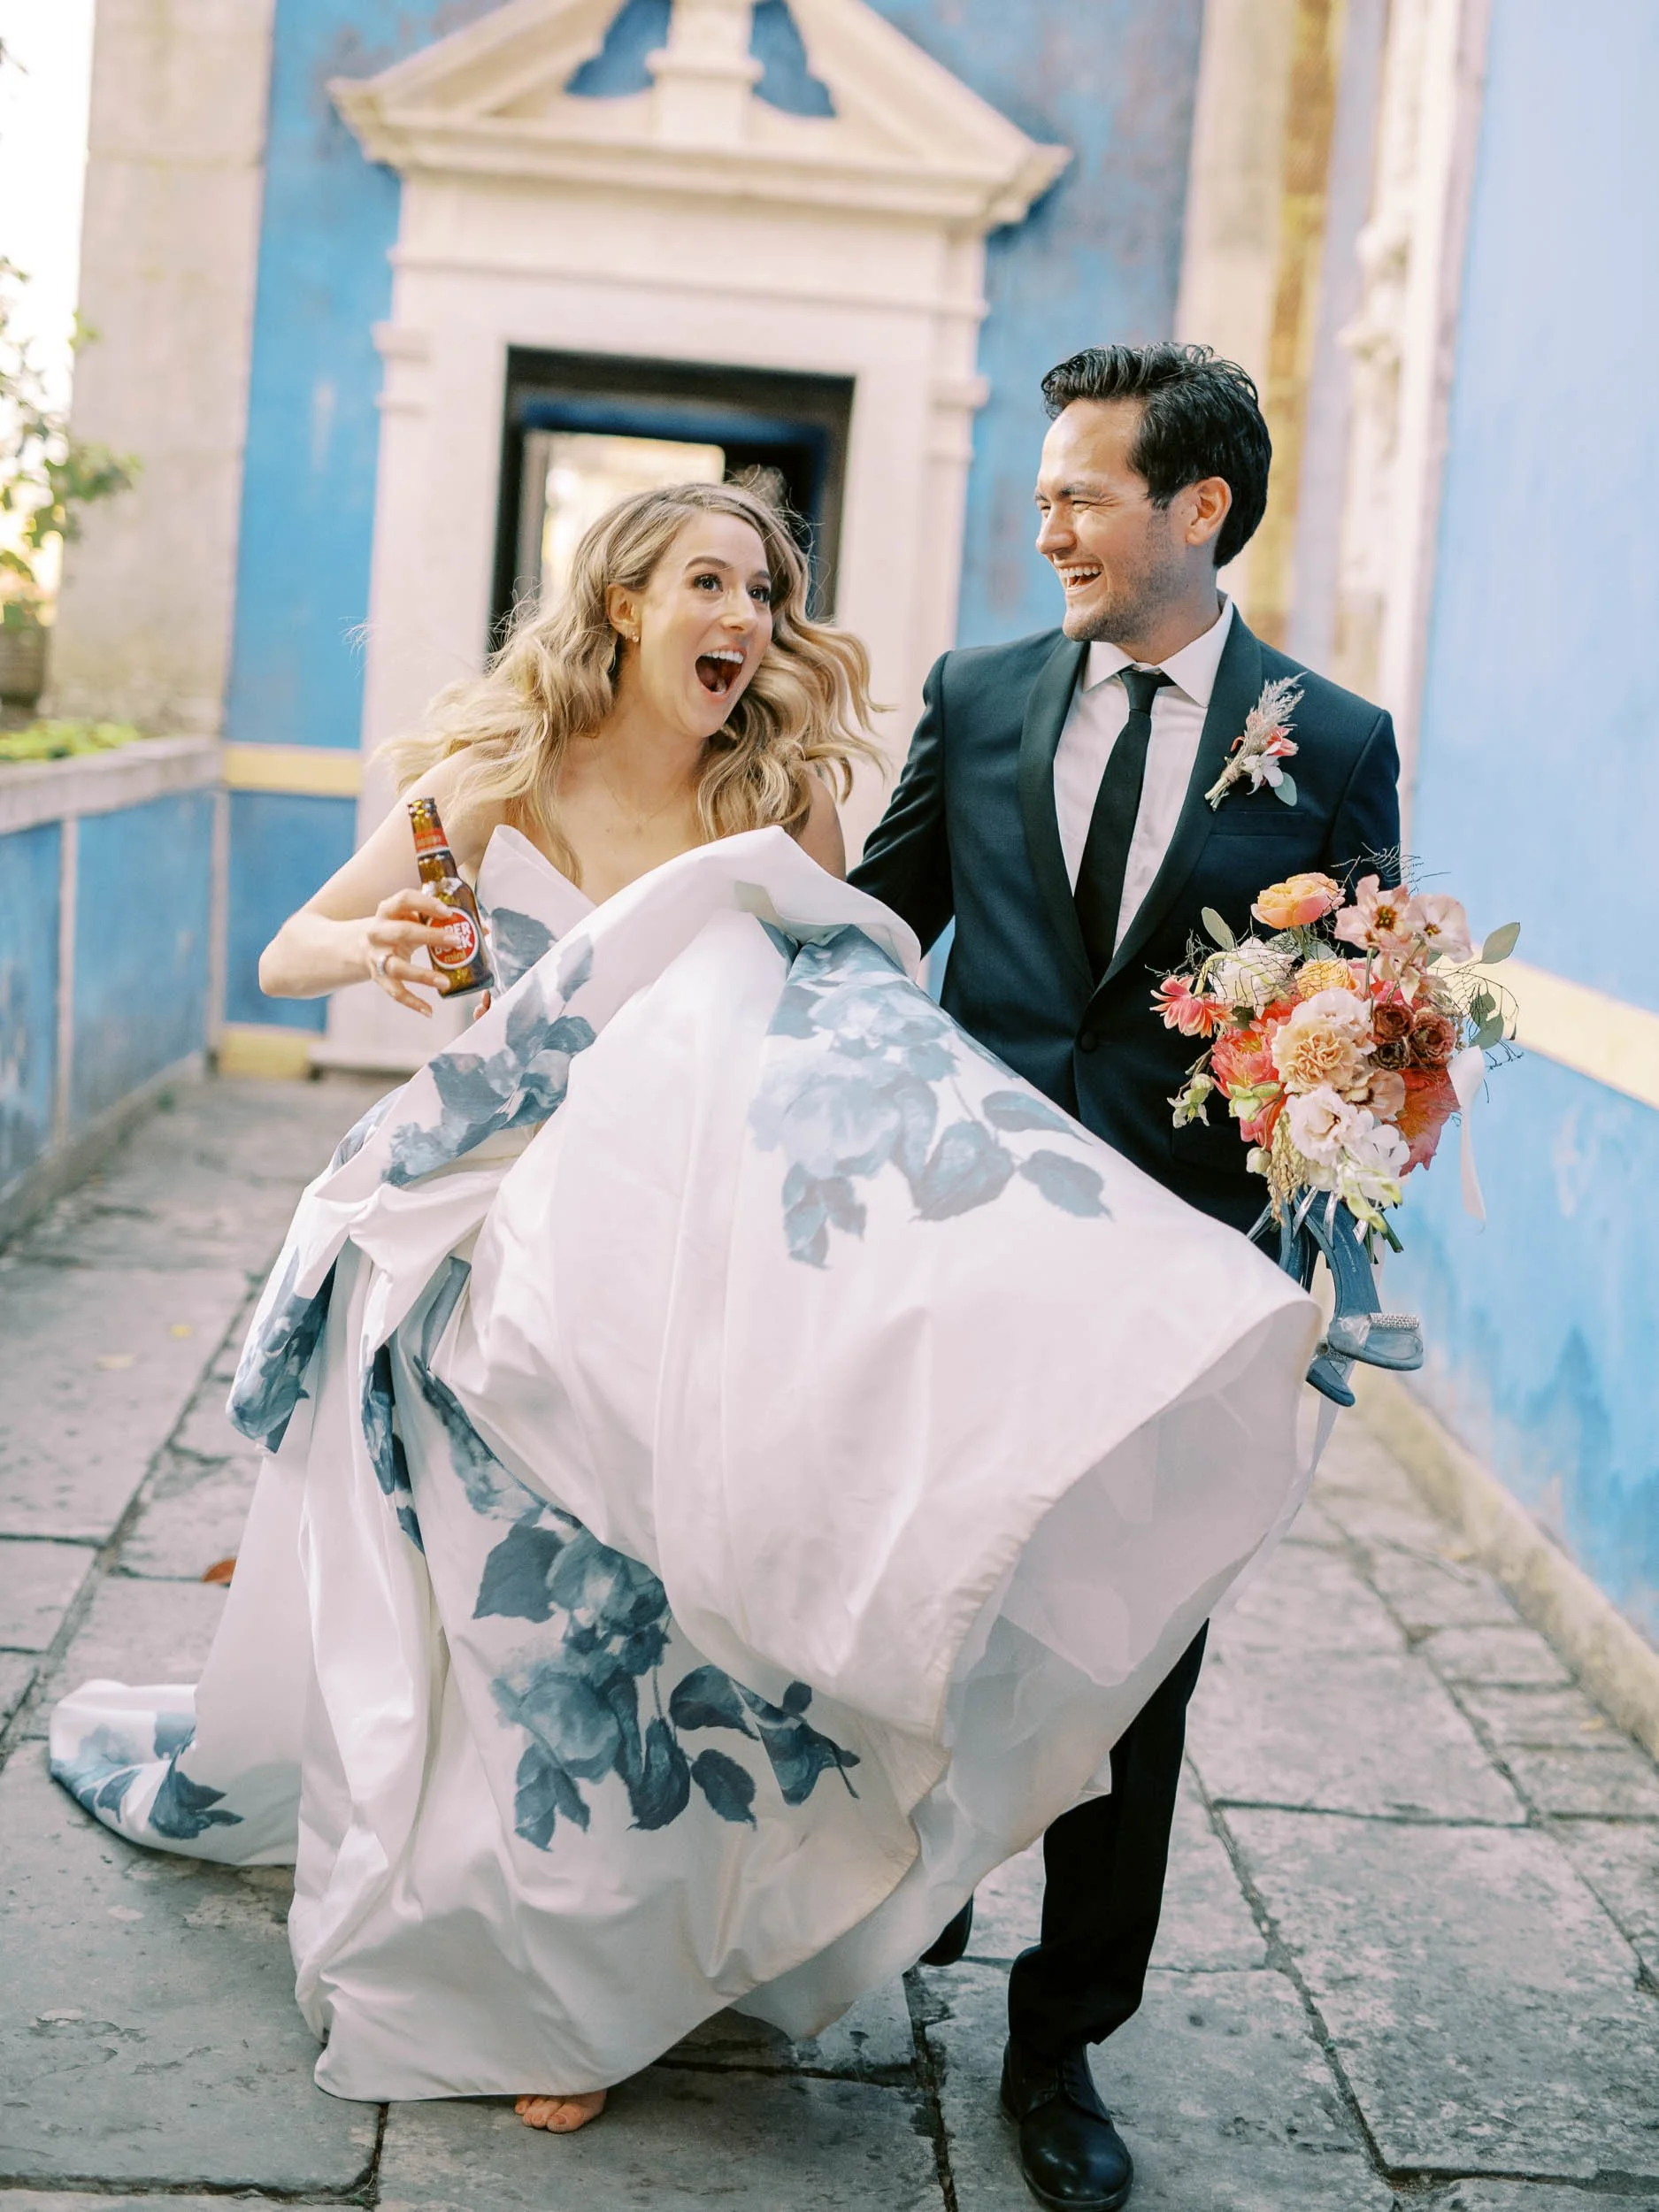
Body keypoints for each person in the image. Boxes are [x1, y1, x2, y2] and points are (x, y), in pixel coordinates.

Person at [50, 477, 1319, 2180]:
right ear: (629, 601)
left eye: (765, 595)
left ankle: (633, 1948)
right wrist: (398, 941)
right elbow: (292, 948)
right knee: (521, 1649)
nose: (743, 619)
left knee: (663, 1626)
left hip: (680, 1249)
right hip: (486, 1236)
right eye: (709, 582)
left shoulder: (773, 807)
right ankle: (515, 1976)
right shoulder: (497, 779)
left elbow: (832, 1035)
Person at [852, 342, 1402, 2210]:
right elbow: (879, 921)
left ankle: (1063, 2024)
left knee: (1132, 1646)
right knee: (921, 1572)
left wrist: (1333, 1136)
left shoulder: (1329, 740)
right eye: (1041, 490)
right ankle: (894, 1893)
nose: (1046, 522)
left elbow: (1367, 1009)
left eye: (1081, 489)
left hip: (1183, 1274)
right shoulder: (978, 687)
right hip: (967, 1226)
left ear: (1200, 508)